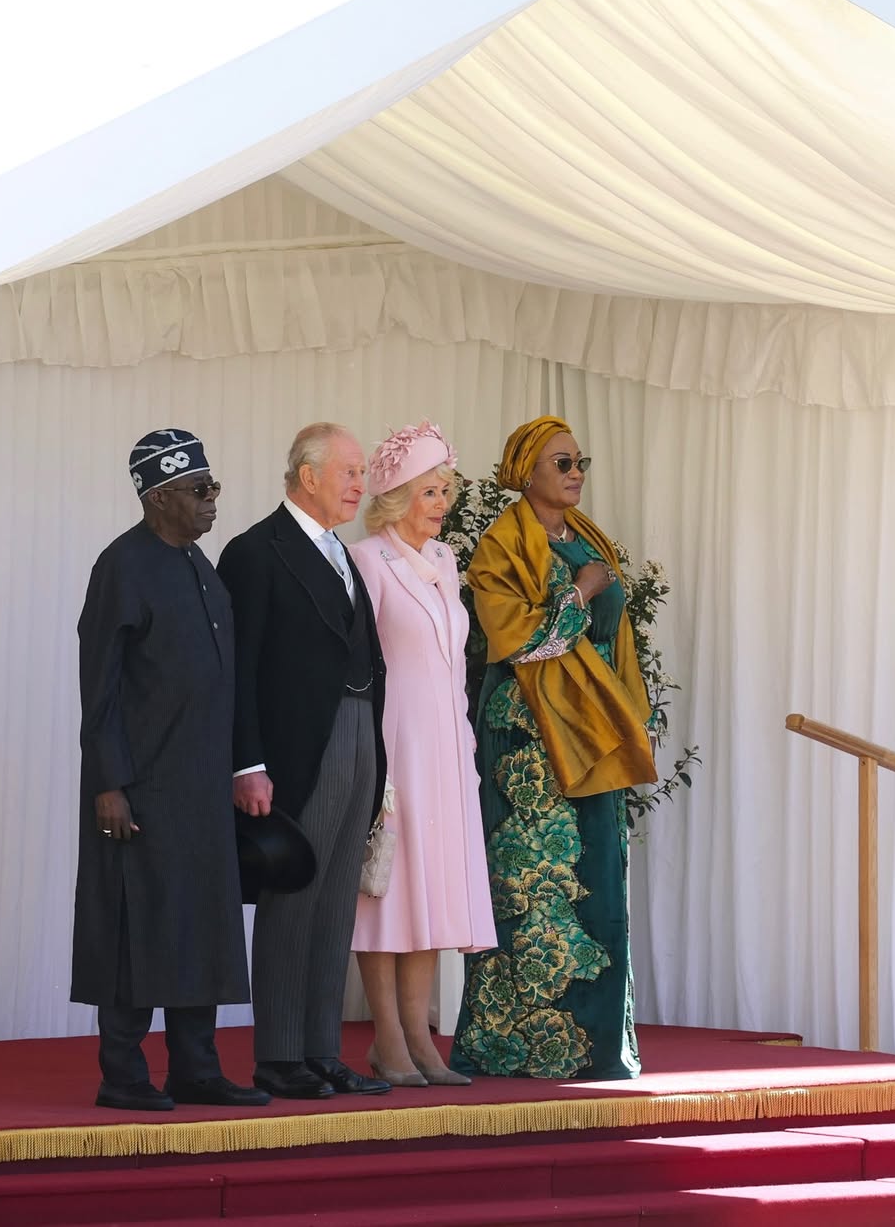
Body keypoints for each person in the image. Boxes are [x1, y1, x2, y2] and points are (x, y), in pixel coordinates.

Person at [451, 415, 658, 1081]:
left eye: (580, 462)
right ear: (528, 472)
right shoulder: (500, 545)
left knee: (597, 877)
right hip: (529, 739)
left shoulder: (588, 535)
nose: (575, 474)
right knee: (528, 888)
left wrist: (630, 711)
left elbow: (616, 639)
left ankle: (597, 1046)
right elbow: (515, 641)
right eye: (563, 463)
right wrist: (581, 591)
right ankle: (513, 1045)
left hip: (593, 729)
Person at [71, 428, 268, 1111]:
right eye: (198, 490)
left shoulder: (199, 565)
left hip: (201, 787)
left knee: (202, 924)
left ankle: (196, 1069)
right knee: (135, 925)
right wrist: (108, 783)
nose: (212, 501)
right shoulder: (122, 567)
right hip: (140, 787)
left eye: (213, 487)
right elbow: (99, 686)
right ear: (158, 498)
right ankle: (122, 1075)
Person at [218, 423, 392, 1101]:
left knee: (336, 903)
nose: (360, 484)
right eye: (349, 472)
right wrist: (246, 764)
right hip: (296, 745)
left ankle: (321, 1050)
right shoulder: (255, 552)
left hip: (355, 734)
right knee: (294, 896)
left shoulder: (341, 552)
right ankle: (280, 1055)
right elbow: (240, 670)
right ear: (307, 474)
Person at [349, 422, 496, 1087]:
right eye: (431, 490)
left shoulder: (444, 561)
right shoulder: (367, 560)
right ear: (399, 494)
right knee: (388, 890)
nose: (443, 502)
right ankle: (389, 1039)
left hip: (445, 745)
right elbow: (358, 664)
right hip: (394, 739)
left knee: (431, 890)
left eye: (446, 489)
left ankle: (421, 1040)